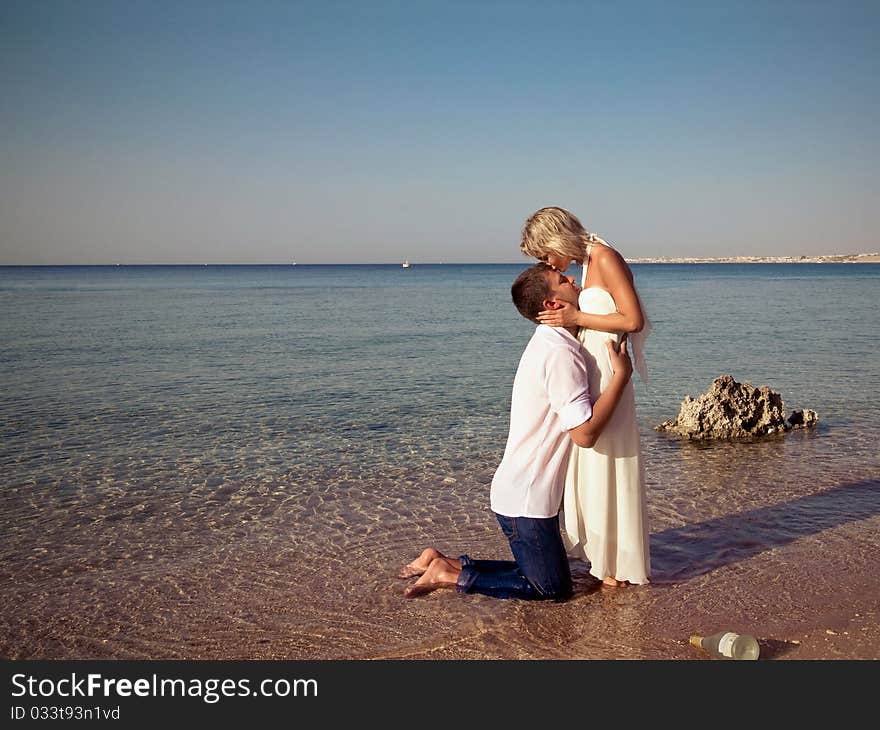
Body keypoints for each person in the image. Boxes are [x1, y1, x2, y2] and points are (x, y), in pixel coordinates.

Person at [400, 263, 633, 599]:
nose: (573, 280)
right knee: (551, 590)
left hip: (520, 493)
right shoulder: (559, 354)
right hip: (527, 499)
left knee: (544, 575)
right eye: (562, 281)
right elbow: (583, 434)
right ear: (553, 305)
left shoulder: (550, 342)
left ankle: (444, 562)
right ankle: (448, 575)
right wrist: (620, 378)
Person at [520, 206, 651, 586]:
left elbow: (632, 320)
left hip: (609, 366)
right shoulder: (587, 263)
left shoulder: (605, 257)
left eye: (545, 253)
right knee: (593, 463)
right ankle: (606, 558)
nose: (548, 263)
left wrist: (575, 319)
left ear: (557, 237)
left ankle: (618, 563)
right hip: (592, 365)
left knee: (610, 459)